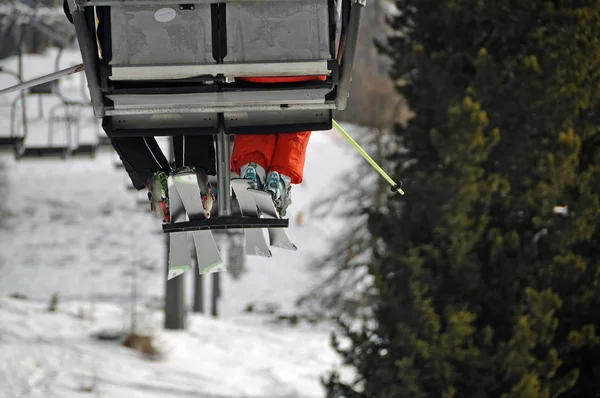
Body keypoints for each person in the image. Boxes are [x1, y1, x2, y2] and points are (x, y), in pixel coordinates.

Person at [230, 76, 326, 217]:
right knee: (298, 121)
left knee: (256, 116)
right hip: (306, 78)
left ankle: (253, 170)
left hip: (251, 76)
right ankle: (279, 179)